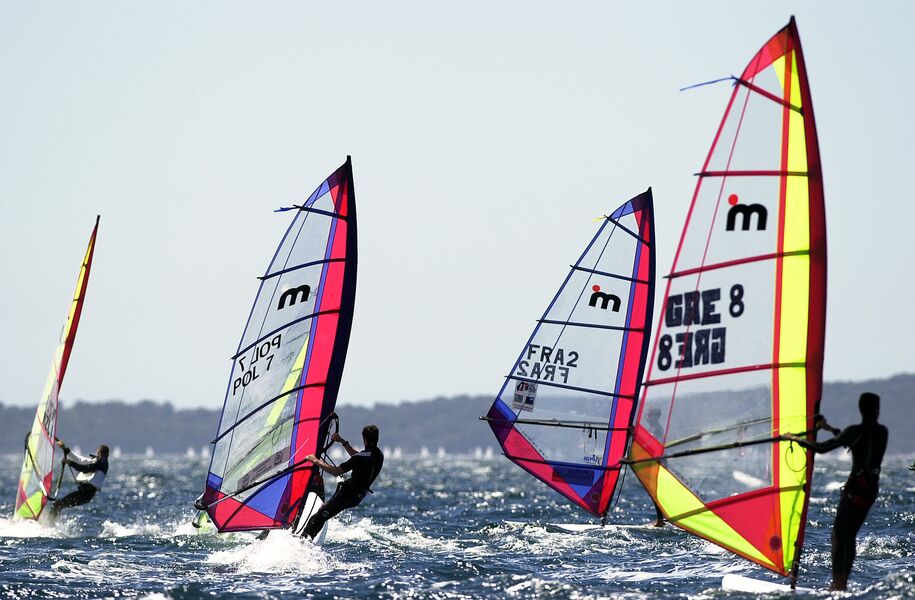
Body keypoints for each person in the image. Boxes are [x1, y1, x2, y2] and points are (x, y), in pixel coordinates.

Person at [784, 393, 888, 591]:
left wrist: (794, 439)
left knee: (838, 536)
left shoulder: (855, 431)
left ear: (861, 409)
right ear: (876, 409)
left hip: (856, 490)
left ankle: (837, 585)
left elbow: (823, 448)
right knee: (849, 535)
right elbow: (852, 441)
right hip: (871, 490)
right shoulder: (882, 432)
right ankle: (842, 583)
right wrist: (830, 429)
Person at [301, 424, 384, 539]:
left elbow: (335, 472)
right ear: (377, 438)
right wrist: (343, 442)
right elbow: (358, 456)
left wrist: (315, 460)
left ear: (364, 439)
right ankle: (309, 538)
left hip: (347, 495)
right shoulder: (379, 455)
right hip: (358, 496)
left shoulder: (361, 457)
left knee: (319, 517)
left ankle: (303, 541)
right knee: (323, 514)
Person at [50, 440, 109, 519]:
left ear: (98, 453)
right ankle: (52, 523)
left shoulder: (102, 464)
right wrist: (66, 449)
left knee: (58, 504)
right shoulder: (97, 462)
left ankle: (50, 524)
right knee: (58, 504)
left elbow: (85, 469)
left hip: (85, 494)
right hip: (84, 493)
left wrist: (70, 462)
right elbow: (80, 460)